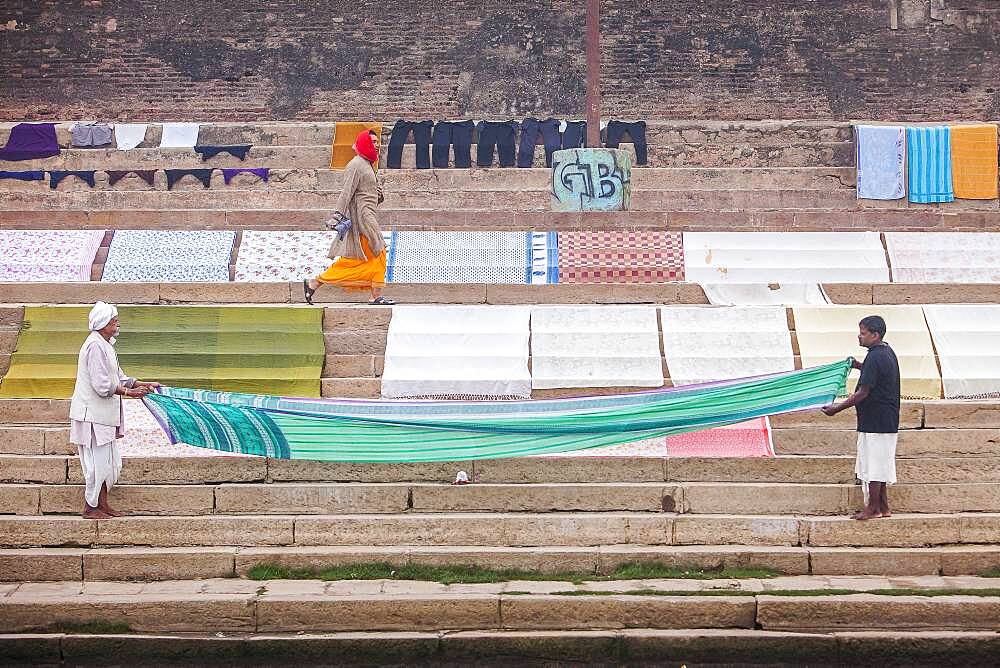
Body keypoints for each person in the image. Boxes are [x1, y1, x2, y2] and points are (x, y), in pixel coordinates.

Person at [69, 302, 160, 519]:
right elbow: (102, 385)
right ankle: (90, 508)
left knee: (109, 464)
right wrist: (130, 393)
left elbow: (118, 377)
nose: (117, 323)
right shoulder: (94, 346)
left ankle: (102, 504)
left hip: (103, 417)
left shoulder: (106, 345)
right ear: (102, 324)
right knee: (96, 464)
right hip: (91, 416)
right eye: (114, 320)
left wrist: (141, 384)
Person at [821, 315, 901, 521]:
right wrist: (858, 365)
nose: (859, 337)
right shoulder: (884, 352)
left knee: (874, 463)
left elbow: (863, 392)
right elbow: (875, 373)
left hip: (877, 420)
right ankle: (883, 506)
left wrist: (835, 409)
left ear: (875, 335)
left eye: (863, 333)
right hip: (884, 419)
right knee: (880, 462)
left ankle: (872, 508)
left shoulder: (876, 356)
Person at [304, 129, 393, 306]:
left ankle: (314, 283)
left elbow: (365, 193)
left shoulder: (367, 164)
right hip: (363, 219)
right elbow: (346, 193)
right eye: (373, 142)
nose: (377, 145)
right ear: (364, 143)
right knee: (380, 253)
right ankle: (374, 296)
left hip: (369, 215)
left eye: (377, 142)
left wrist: (377, 194)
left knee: (360, 260)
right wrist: (336, 217)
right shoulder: (356, 165)